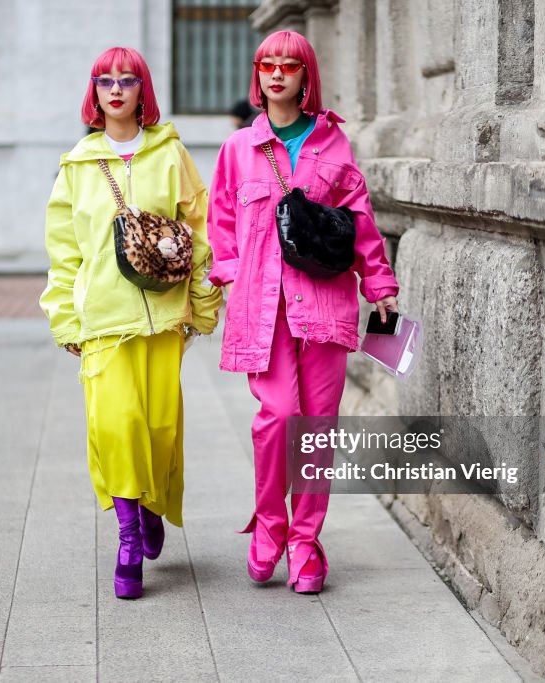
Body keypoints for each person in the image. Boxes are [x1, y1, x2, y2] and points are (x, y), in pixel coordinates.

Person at [206, 31, 400, 594]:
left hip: (325, 303)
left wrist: (379, 284)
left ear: (305, 76)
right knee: (277, 418)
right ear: (258, 74)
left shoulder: (334, 144)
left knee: (316, 427)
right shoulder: (238, 149)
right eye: (268, 64)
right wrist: (231, 272)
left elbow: (359, 220)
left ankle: (306, 543)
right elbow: (221, 223)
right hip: (263, 309)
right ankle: (269, 525)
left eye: (290, 65)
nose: (277, 74)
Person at [39, 47, 221, 599]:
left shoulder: (170, 155)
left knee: (159, 430)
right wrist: (66, 319)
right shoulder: (77, 165)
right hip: (104, 323)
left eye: (127, 79)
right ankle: (126, 533)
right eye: (104, 80)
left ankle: (149, 507)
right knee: (115, 427)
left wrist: (202, 304)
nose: (115, 89)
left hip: (164, 318)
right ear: (93, 92)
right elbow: (65, 252)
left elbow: (199, 232)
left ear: (143, 90)